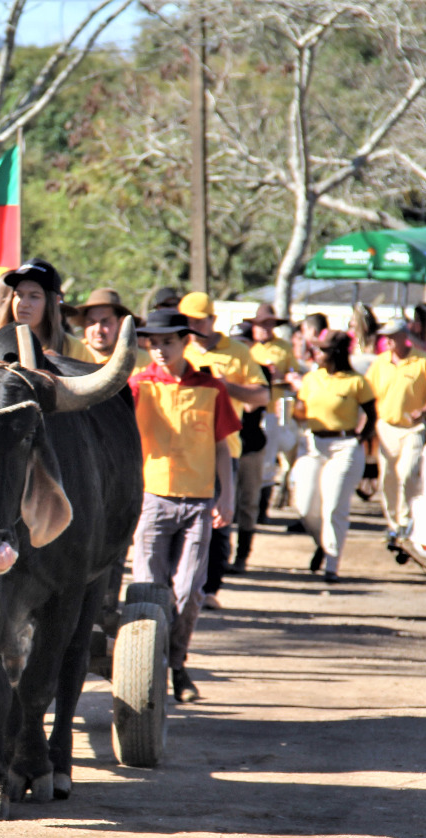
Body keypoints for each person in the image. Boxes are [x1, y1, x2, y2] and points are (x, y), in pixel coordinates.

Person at [125, 309, 238, 703]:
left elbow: (222, 448)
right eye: (152, 343)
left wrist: (228, 496)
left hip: (199, 503)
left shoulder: (212, 388)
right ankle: (148, 669)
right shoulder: (137, 385)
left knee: (189, 591)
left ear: (185, 341)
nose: (158, 350)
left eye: (167, 342)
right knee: (147, 590)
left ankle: (176, 663)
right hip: (151, 500)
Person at [178, 292, 268, 602]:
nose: (192, 325)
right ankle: (180, 587)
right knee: (179, 519)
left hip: (222, 447)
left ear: (212, 320)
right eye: (187, 319)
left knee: (217, 520)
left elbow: (263, 396)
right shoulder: (178, 348)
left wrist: (223, 385)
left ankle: (210, 588)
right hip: (180, 450)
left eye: (198, 319)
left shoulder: (238, 351)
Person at [287, 331, 376, 582]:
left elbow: (371, 413)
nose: (317, 354)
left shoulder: (356, 381)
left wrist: (360, 438)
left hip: (344, 445)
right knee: (305, 506)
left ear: (335, 353)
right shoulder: (311, 378)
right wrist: (293, 407)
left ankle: (332, 565)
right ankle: (323, 543)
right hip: (315, 444)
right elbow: (302, 410)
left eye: (323, 350)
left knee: (334, 505)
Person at [365, 318, 426, 554]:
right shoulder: (380, 363)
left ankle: (405, 521)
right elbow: (368, 392)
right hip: (386, 426)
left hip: (412, 427)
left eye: (392, 335)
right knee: (387, 477)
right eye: (385, 336)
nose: (387, 340)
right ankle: (393, 524)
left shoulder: (422, 360)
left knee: (407, 473)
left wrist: (424, 410)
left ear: (403, 335)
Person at [0, 259, 95, 364]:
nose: (23, 304)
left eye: (34, 296)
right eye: (19, 295)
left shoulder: (74, 349)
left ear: (55, 301)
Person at [243, 302, 298, 525]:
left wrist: (281, 376)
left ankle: (261, 508)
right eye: (262, 324)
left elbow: (293, 373)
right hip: (249, 409)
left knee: (268, 459)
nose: (266, 328)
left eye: (269, 324)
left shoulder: (283, 348)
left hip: (273, 407)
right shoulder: (248, 348)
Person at [77, 287, 138, 366]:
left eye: (105, 321)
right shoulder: (71, 352)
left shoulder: (140, 361)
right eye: (91, 322)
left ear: (121, 323)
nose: (98, 330)